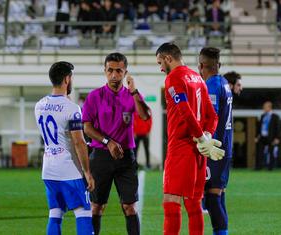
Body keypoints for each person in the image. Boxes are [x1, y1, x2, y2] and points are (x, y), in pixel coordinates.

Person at [156, 42, 224, 235]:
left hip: (181, 148)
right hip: (200, 153)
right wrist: (207, 138)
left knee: (171, 202)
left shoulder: (174, 78)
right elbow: (213, 116)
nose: (161, 67)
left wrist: (202, 138)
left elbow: (185, 111)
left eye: (160, 62)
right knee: (194, 204)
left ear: (169, 58)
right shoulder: (198, 78)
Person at [82, 52, 151, 235]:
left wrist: (134, 90)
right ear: (104, 71)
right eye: (110, 70)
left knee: (129, 206)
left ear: (125, 72)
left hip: (125, 157)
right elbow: (87, 128)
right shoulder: (94, 96)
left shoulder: (131, 95)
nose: (114, 75)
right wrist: (108, 142)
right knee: (97, 207)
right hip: (100, 157)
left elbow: (145, 115)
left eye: (119, 71)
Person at [34, 61, 95, 235]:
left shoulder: (39, 105)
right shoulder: (72, 108)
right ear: (67, 79)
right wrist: (87, 173)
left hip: (48, 169)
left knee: (55, 213)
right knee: (83, 212)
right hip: (69, 170)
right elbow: (78, 142)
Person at [198, 47, 233, 235]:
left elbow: (212, 115)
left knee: (212, 198)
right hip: (225, 147)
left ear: (201, 66)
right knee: (219, 196)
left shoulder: (211, 85)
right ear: (218, 65)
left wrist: (204, 139)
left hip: (215, 149)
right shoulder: (225, 83)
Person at [255, 101, 281, 170]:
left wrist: (277, 138)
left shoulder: (275, 117)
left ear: (269, 107)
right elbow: (259, 127)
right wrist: (257, 136)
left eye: (265, 107)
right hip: (262, 137)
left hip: (271, 137)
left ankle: (270, 167)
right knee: (259, 152)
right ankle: (259, 166)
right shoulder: (262, 116)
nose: (263, 108)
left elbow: (277, 128)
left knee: (271, 152)